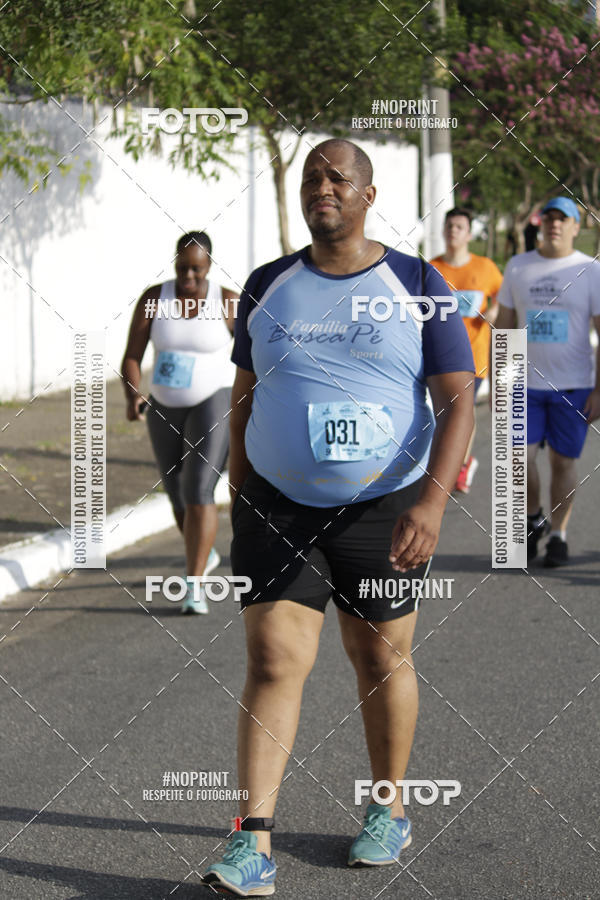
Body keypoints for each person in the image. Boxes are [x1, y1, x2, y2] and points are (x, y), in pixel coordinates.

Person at [202, 140, 474, 896]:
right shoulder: (267, 284)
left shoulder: (419, 282)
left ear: (367, 193)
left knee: (378, 658)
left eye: (337, 177)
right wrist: (242, 487)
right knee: (272, 662)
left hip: (386, 507)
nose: (322, 186)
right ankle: (251, 843)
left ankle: (387, 807)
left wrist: (431, 500)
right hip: (279, 507)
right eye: (312, 177)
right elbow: (246, 394)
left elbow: (458, 392)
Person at [121, 231, 238, 612]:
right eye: (182, 268)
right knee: (176, 494)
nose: (189, 277)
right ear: (174, 263)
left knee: (199, 488)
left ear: (209, 267)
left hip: (213, 400)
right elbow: (132, 356)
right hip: (164, 406)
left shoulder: (227, 302)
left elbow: (256, 356)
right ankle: (202, 556)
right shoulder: (156, 299)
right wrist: (133, 394)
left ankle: (194, 585)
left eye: (197, 270)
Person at [495, 197, 600, 566]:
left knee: (562, 463)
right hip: (525, 386)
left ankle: (559, 533)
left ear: (576, 227)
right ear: (540, 225)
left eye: (563, 219)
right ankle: (533, 516)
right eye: (549, 218)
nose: (555, 224)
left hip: (573, 386)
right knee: (519, 460)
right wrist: (500, 383)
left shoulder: (590, 270)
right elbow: (505, 328)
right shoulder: (519, 266)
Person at [431, 208, 503, 493]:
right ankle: (454, 461)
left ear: (469, 234)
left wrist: (494, 310)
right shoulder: (432, 268)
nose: (453, 231)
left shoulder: (485, 267)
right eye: (449, 226)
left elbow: (502, 293)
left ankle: (459, 466)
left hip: (475, 355)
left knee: (464, 410)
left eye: (459, 227)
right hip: (439, 357)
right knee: (443, 412)